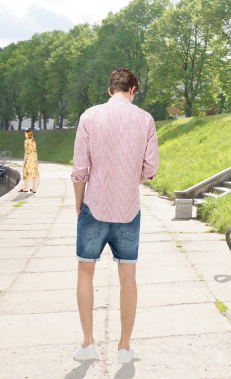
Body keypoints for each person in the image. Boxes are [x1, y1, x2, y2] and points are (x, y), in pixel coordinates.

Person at [70, 68, 159, 364]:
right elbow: (149, 169)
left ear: (110, 90)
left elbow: (80, 169)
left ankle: (88, 344)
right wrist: (127, 180)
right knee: (128, 276)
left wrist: (79, 204)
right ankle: (124, 347)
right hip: (128, 208)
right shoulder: (145, 119)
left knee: (85, 272)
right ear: (133, 90)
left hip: (93, 206)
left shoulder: (89, 117)